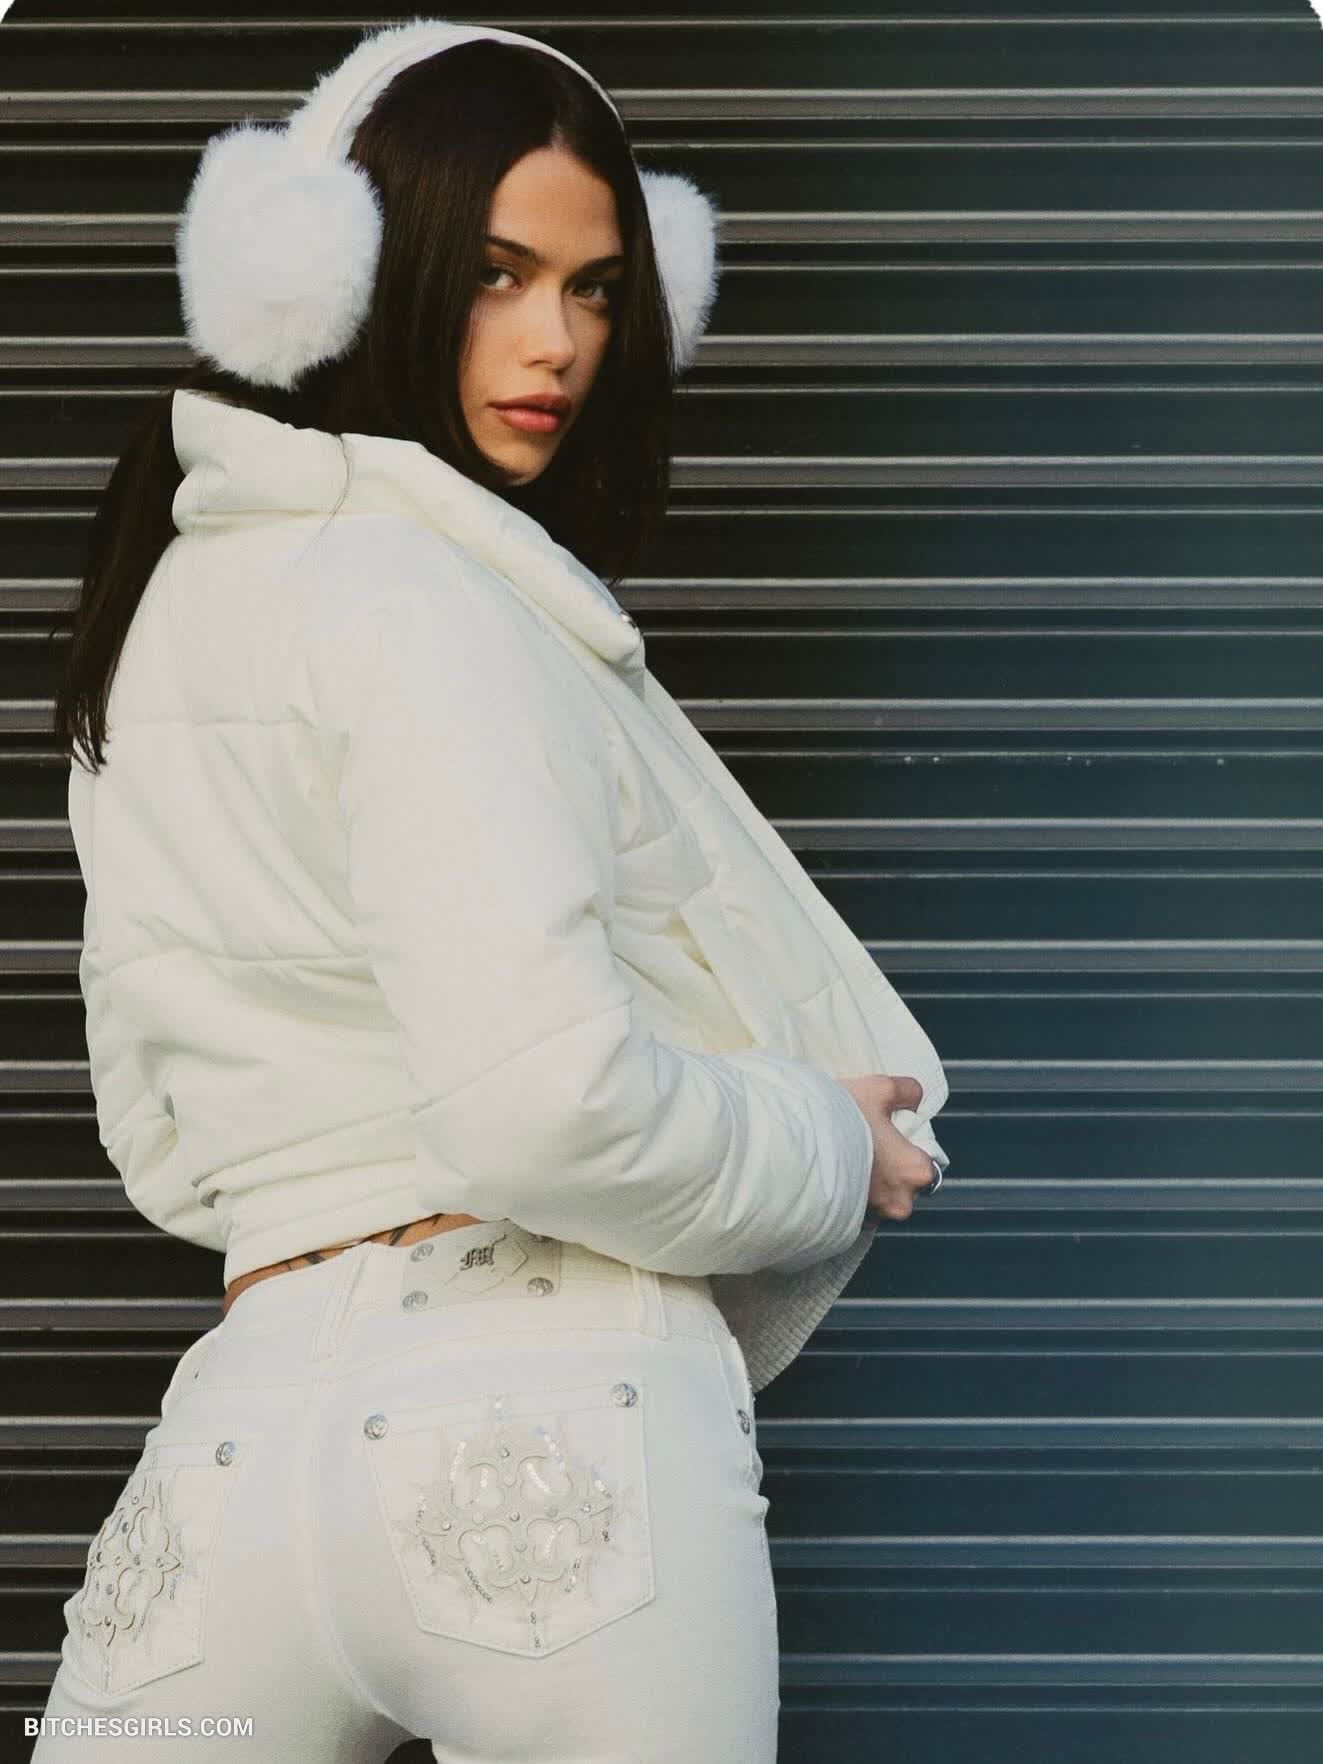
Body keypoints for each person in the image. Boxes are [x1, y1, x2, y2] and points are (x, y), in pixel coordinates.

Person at [35, 20, 948, 1761]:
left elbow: (157, 1140)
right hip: (548, 1425)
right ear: (347, 275)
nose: (557, 343)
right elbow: (546, 1111)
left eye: (598, 290)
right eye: (498, 273)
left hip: (243, 1434)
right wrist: (823, 1138)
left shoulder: (153, 623)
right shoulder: (437, 599)